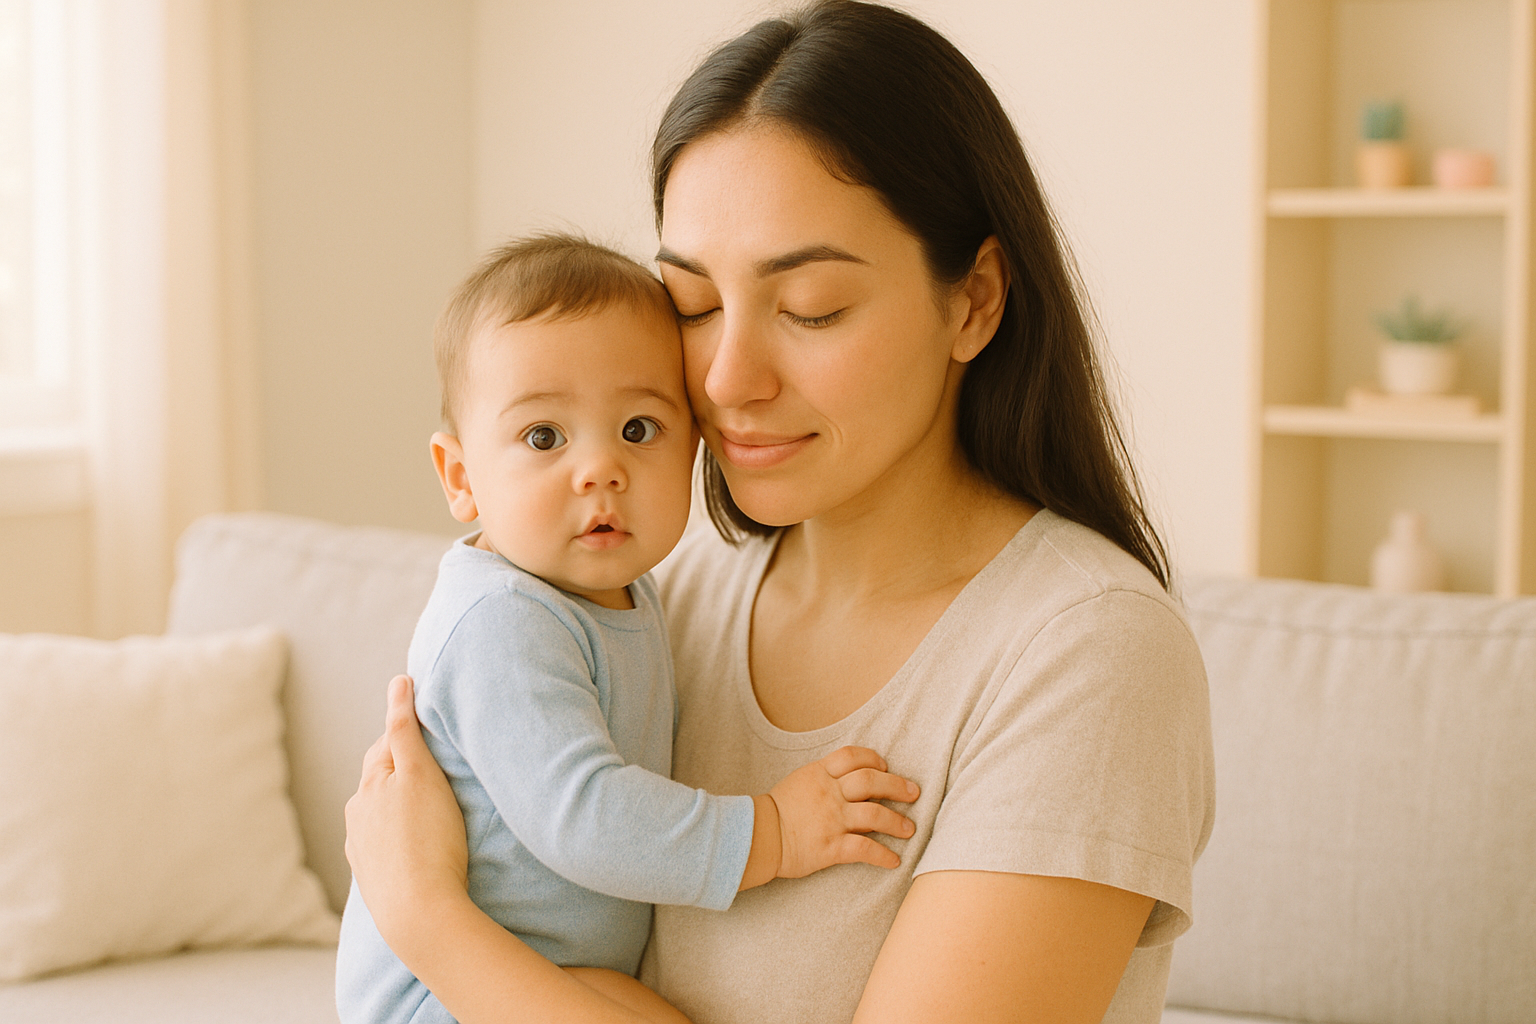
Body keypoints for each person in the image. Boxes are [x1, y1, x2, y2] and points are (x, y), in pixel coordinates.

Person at [344, 2, 1216, 1022]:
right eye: (694, 305)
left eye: (811, 309)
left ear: (973, 300)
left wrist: (428, 922)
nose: (728, 376)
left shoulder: (1084, 655)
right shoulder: (672, 594)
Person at [335, 234, 921, 1024]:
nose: (600, 469)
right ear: (461, 477)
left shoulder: (627, 592)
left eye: (640, 430)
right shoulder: (501, 622)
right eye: (544, 437)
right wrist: (772, 831)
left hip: (545, 975)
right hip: (439, 997)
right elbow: (582, 815)